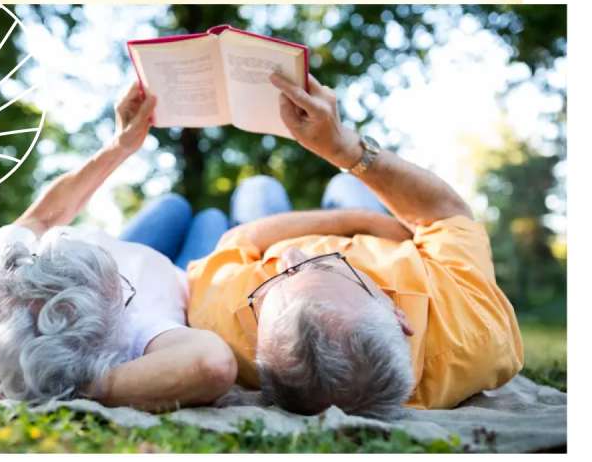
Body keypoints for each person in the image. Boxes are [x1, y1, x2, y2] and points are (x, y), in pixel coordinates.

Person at [186, 72, 524, 419]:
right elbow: (446, 215)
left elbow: (237, 241)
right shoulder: (476, 328)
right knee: (348, 184)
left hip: (269, 235)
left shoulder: (225, 322)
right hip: (389, 235)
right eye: (325, 266)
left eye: (277, 281)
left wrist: (351, 222)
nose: (292, 254)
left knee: (258, 188)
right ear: (399, 316)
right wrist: (343, 152)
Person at [0, 83, 237, 412]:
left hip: (131, 247)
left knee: (172, 205)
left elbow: (44, 217)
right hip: (183, 277)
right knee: (213, 218)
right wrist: (80, 389)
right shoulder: (128, 340)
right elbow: (212, 365)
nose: (52, 235)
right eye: (120, 290)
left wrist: (121, 145)